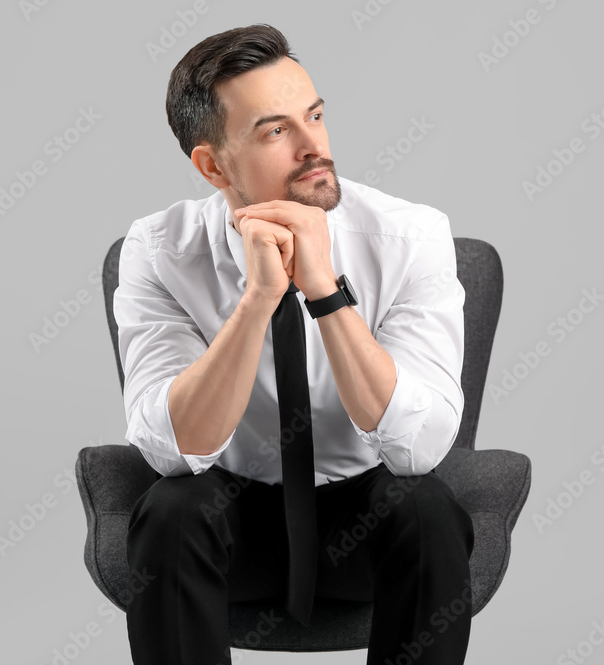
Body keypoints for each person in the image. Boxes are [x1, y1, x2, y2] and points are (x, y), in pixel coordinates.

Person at [114, 23, 475, 664]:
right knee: (173, 509)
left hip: (363, 526)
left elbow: (421, 447)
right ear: (211, 164)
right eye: (276, 130)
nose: (314, 147)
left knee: (425, 509)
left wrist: (325, 291)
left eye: (315, 116)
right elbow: (171, 448)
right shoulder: (159, 250)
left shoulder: (411, 235)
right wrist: (256, 303)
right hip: (231, 525)